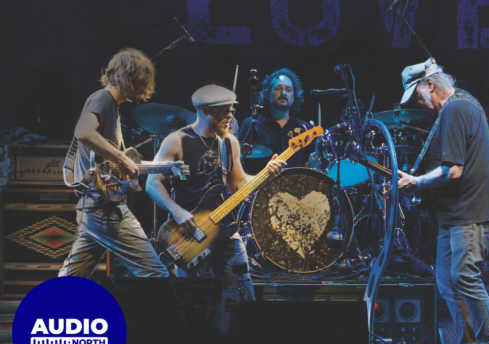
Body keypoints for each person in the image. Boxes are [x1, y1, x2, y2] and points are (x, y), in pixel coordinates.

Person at [397, 59, 489, 344]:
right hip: (455, 213)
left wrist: (417, 182)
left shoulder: (456, 108)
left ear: (430, 85)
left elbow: (454, 171)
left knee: (463, 276)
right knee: (447, 281)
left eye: (416, 96)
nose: (416, 104)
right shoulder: (458, 105)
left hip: (473, 211)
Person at [146, 84, 286, 299]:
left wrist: (266, 175)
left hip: (225, 228)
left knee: (242, 292)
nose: (230, 116)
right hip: (188, 234)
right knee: (191, 299)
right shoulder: (177, 141)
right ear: (204, 110)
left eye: (232, 110)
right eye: (224, 111)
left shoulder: (229, 142)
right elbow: (152, 183)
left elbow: (238, 185)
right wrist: (176, 211)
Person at [59, 48, 169, 278]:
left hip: (93, 206)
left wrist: (164, 167)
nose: (143, 89)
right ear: (130, 78)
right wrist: (120, 158)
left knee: (72, 278)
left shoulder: (111, 105)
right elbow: (83, 131)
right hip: (104, 209)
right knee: (155, 274)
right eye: (141, 82)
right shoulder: (102, 99)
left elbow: (107, 160)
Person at [237, 68, 315, 169]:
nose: (283, 93)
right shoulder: (251, 124)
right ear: (267, 94)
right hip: (258, 179)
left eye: (288, 90)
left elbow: (308, 167)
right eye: (278, 88)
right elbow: (237, 162)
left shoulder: (305, 129)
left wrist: (315, 163)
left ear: (294, 97)